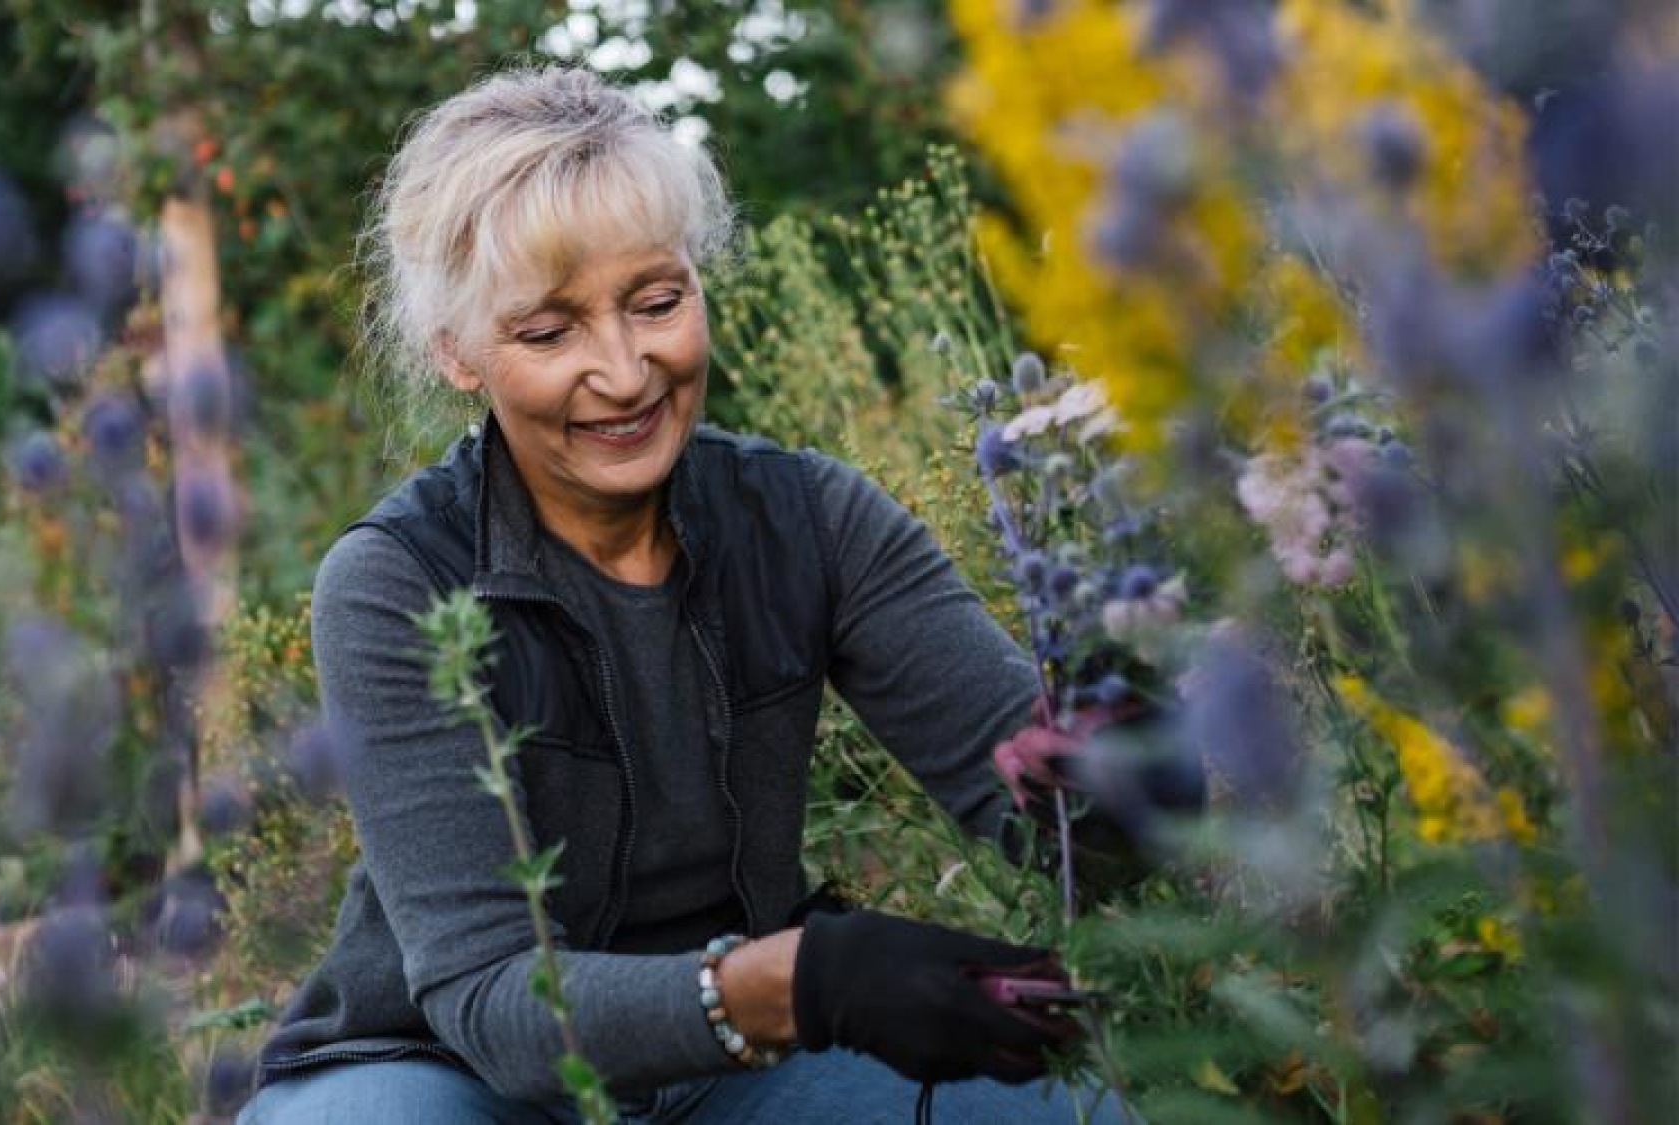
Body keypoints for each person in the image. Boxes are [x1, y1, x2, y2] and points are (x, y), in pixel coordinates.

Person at [239, 65, 1138, 1125]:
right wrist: (806, 980)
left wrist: (1132, 774)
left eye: (657, 303)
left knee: (1055, 1114)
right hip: (448, 1071)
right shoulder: (397, 580)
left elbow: (1053, 825)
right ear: (457, 354)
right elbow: (494, 1004)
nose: (625, 373)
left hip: (741, 1066)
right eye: (548, 333)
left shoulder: (814, 521)